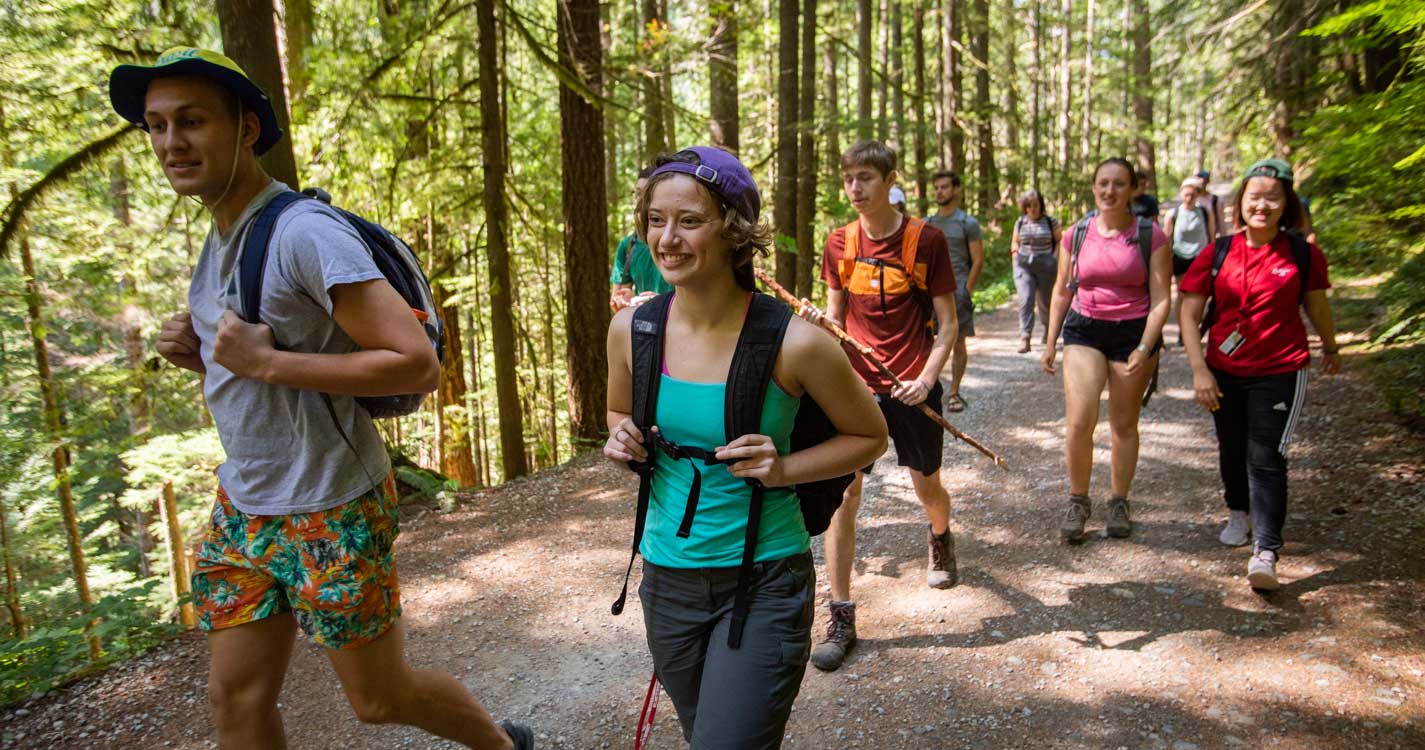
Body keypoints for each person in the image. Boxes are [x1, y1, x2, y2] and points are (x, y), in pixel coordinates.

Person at [108, 48, 533, 750]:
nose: (170, 143)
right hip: (245, 505)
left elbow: (414, 364)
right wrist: (203, 362)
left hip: (329, 503)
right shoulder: (219, 233)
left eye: (191, 121)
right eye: (155, 126)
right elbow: (266, 365)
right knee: (234, 700)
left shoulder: (303, 234)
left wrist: (268, 363)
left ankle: (503, 747)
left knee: (379, 698)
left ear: (246, 128)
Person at [602, 146, 887, 748]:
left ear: (732, 231)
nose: (667, 239)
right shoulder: (634, 328)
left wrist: (784, 468)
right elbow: (618, 410)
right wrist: (620, 435)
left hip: (764, 580)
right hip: (667, 581)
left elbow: (869, 436)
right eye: (656, 220)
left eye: (689, 220)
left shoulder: (796, 343)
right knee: (705, 733)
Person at [799, 141, 961, 672]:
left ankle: (939, 534)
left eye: (865, 177)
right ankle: (841, 613)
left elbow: (949, 324)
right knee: (844, 494)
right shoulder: (839, 243)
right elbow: (835, 320)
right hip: (854, 386)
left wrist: (926, 378)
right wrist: (815, 326)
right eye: (848, 178)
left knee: (926, 487)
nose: (855, 188)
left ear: (891, 179)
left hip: (911, 384)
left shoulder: (926, 240)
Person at [1178, 158, 1340, 591]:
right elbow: (1189, 310)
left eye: (1273, 197)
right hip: (1223, 368)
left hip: (1281, 368)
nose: (1262, 205)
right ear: (1240, 202)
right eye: (1255, 197)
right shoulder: (1220, 251)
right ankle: (1238, 510)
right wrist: (1199, 370)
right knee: (1231, 447)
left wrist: (1330, 344)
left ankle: (1266, 551)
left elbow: (1317, 306)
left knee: (1267, 455)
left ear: (1287, 203)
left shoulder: (1303, 253)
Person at [1041, 157, 1171, 544]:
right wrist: (1050, 342)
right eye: (1103, 183)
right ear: (1094, 187)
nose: (1109, 191)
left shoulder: (1152, 235)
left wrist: (1146, 347)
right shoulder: (1076, 234)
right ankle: (1078, 500)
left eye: (1118, 184)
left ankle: (1118, 501)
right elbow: (1062, 289)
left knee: (1123, 423)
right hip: (1085, 328)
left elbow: (1162, 299)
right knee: (1080, 420)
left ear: (1133, 189)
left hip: (1134, 332)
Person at [926, 170, 984, 412]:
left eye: (945, 187)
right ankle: (929, 387)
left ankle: (954, 392)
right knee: (927, 340)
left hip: (957, 289)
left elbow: (978, 260)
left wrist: (966, 290)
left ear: (956, 189)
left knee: (958, 342)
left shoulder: (967, 223)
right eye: (937, 187)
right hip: (929, 292)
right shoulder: (928, 223)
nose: (940, 191)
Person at [611, 165, 673, 310]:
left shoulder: (675, 241)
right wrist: (626, 300)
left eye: (647, 193)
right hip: (647, 328)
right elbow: (616, 301)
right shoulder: (628, 246)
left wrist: (660, 303)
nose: (640, 199)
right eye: (638, 193)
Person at [1164, 177, 1218, 346]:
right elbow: (1167, 239)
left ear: (1197, 194)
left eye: (1193, 193)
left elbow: (1212, 234)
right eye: (1186, 194)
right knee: (1182, 296)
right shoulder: (1173, 214)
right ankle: (1183, 333)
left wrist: (1213, 255)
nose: (1189, 197)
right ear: (1181, 194)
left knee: (1199, 296)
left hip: (1200, 258)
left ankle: (1195, 330)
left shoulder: (1205, 211)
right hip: (1180, 258)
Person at [1009, 189, 1061, 353]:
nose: (1033, 208)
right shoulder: (1020, 222)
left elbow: (1060, 241)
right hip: (1024, 265)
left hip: (1046, 264)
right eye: (1029, 206)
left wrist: (1054, 258)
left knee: (1045, 301)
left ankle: (1048, 330)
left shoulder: (1050, 221)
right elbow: (1015, 242)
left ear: (1041, 205)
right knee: (1026, 299)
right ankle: (1025, 337)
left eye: (1035, 205)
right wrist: (1015, 255)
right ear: (1025, 207)